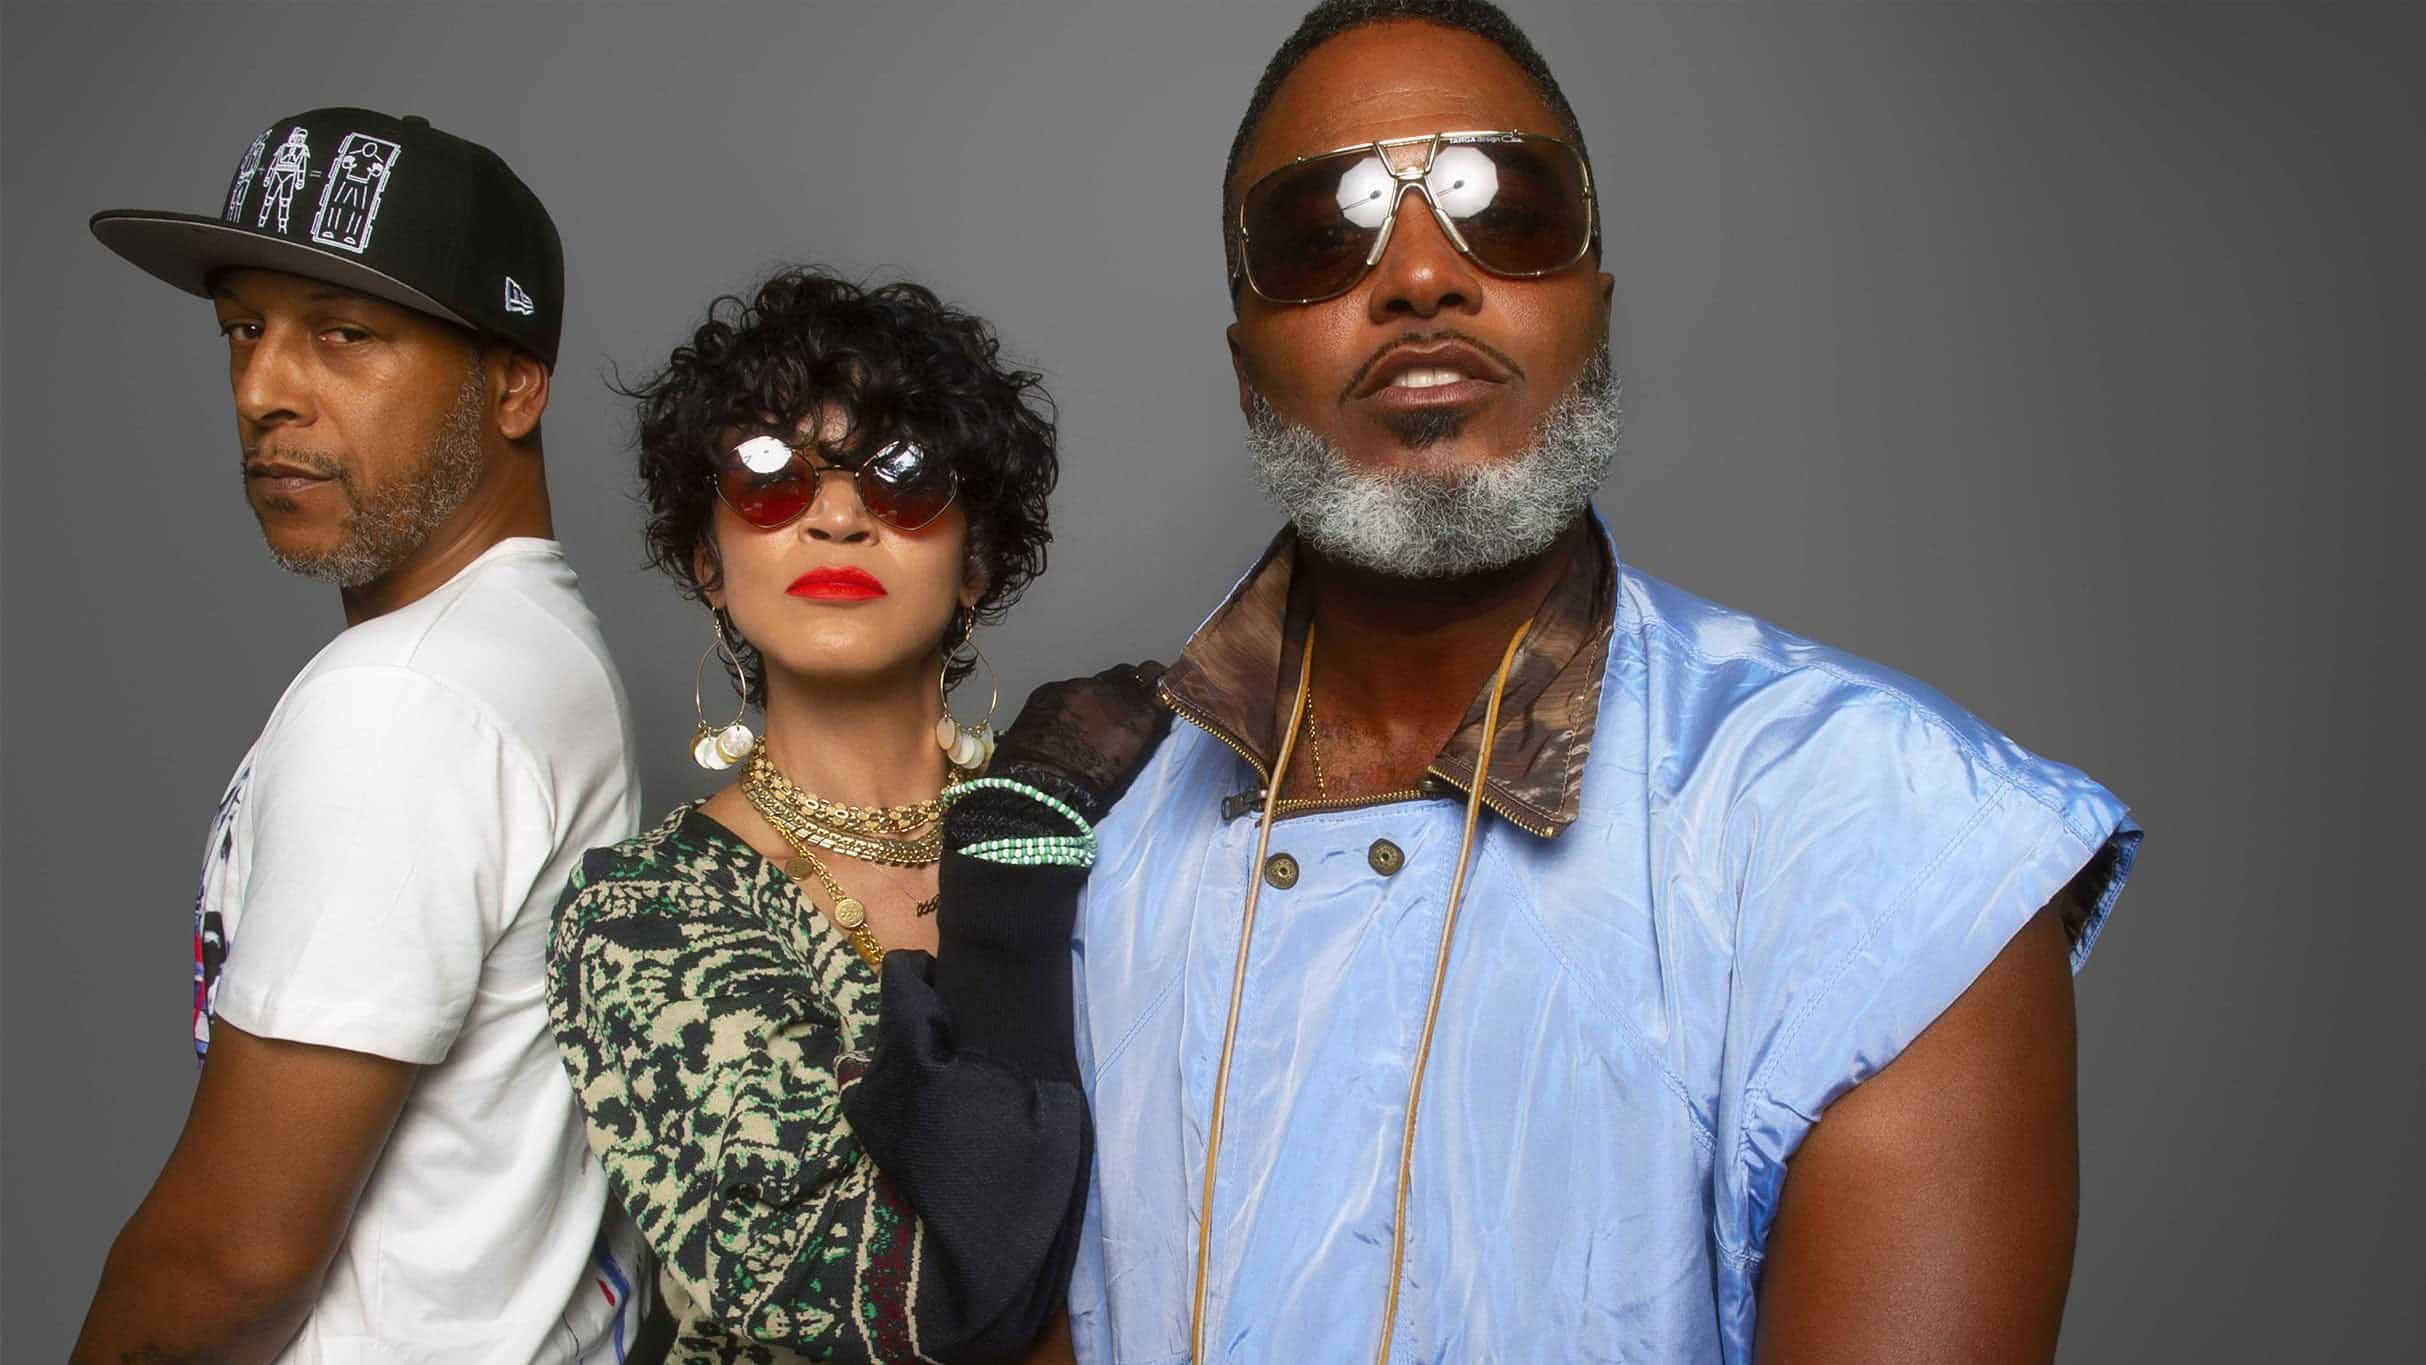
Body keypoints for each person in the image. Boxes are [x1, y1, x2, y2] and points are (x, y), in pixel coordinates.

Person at [1065, 3, 2143, 1362]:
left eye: (1502, 208)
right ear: (1243, 367)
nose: (1419, 277)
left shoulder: (1892, 842)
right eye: (1321, 234)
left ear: (1595, 309)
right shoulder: (1066, 825)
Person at [76, 108, 649, 1362]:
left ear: (514, 384)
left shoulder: (407, 698)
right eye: (244, 329)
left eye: (343, 335)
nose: (263, 392)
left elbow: (236, 1256)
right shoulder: (533, 645)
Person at [547, 266, 1165, 1363]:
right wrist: (1007, 870)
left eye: (903, 477)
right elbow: (911, 1297)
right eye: (768, 476)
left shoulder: (1124, 837)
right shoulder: (642, 917)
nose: (836, 516)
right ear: (708, 561)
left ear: (976, 561)